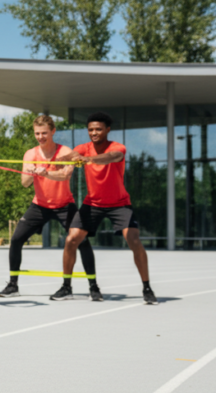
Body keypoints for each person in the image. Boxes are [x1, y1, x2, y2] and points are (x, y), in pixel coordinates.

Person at [0, 115, 101, 301]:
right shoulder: (30, 154)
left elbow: (64, 176)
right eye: (37, 133)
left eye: (44, 133)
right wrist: (31, 173)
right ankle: (13, 285)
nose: (40, 136)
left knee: (82, 241)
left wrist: (45, 172)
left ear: (53, 131)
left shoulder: (65, 152)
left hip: (64, 205)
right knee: (16, 239)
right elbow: (24, 183)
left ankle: (92, 287)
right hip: (40, 205)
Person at [56, 112, 157, 305]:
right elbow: (69, 156)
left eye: (98, 129)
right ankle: (66, 287)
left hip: (119, 204)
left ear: (107, 130)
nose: (94, 132)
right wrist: (71, 157)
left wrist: (88, 159)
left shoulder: (117, 148)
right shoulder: (83, 148)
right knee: (71, 239)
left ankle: (147, 288)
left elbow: (111, 157)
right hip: (92, 203)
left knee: (134, 241)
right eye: (91, 129)